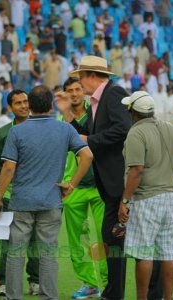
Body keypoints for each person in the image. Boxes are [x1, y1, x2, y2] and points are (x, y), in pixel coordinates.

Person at [0, 85, 93, 300]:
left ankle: (13, 296)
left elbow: (8, 168)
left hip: (22, 202)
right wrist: (71, 184)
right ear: (51, 105)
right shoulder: (64, 129)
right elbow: (87, 156)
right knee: (47, 253)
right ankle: (48, 296)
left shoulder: (17, 131)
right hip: (51, 200)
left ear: (31, 106)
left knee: (16, 253)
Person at [55, 56, 132, 300]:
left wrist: (92, 141)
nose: (79, 84)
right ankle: (112, 292)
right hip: (107, 182)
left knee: (115, 240)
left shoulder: (113, 93)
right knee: (111, 239)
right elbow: (85, 135)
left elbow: (124, 128)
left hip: (116, 180)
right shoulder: (99, 100)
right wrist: (67, 113)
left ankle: (115, 292)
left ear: (91, 76)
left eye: (80, 79)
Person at [118, 91, 173, 300]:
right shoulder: (170, 127)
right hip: (170, 197)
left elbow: (136, 170)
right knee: (168, 251)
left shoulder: (136, 132)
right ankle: (168, 298)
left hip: (146, 198)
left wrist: (124, 201)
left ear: (133, 112)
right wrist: (172, 168)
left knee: (143, 253)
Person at [60, 77, 107, 299]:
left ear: (84, 92)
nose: (75, 94)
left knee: (103, 237)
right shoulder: (61, 121)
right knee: (77, 239)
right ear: (65, 94)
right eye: (69, 91)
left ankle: (108, 284)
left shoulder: (97, 114)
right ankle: (89, 283)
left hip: (99, 185)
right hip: (73, 187)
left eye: (78, 89)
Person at [0, 89, 40, 297]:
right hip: (10, 196)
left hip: (35, 194)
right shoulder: (2, 134)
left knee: (36, 242)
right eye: (18, 103)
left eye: (26, 101)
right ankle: (3, 281)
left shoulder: (39, 129)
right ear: (10, 108)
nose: (24, 106)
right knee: (7, 242)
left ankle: (35, 281)